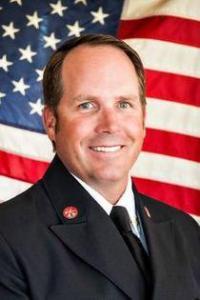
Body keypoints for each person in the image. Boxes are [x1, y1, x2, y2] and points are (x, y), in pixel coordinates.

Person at [0, 34, 199, 300]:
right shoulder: (8, 237)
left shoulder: (185, 231)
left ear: (143, 121)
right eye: (87, 105)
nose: (110, 125)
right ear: (50, 122)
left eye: (124, 104)